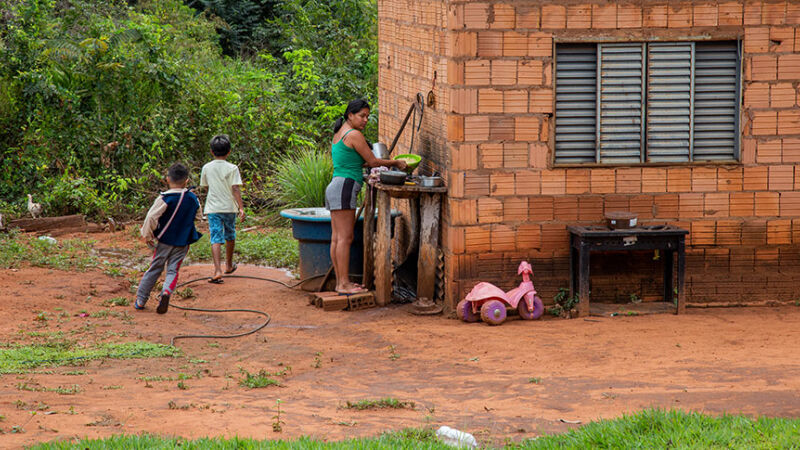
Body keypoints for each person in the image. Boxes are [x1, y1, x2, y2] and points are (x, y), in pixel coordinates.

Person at [326, 99, 407, 294]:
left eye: (367, 116)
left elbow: (353, 161)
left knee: (337, 238)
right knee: (345, 238)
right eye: (361, 116)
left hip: (336, 185)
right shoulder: (354, 134)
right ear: (350, 115)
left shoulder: (340, 133)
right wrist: (396, 163)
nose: (365, 120)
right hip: (345, 186)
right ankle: (343, 284)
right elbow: (371, 161)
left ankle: (340, 282)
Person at [136, 163, 203, 314]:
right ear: (186, 181)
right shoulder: (193, 198)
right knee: (173, 270)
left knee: (155, 268)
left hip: (164, 240)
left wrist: (147, 235)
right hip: (183, 241)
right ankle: (166, 292)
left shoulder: (165, 198)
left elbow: (151, 217)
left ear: (167, 179)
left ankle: (141, 300)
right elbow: (198, 216)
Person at [200, 134, 245, 283]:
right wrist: (241, 208)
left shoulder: (206, 167)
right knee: (230, 234)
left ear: (212, 151)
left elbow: (206, 187)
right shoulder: (233, 168)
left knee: (215, 238)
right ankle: (229, 265)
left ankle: (217, 270)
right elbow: (235, 189)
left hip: (213, 208)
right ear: (229, 151)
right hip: (229, 207)